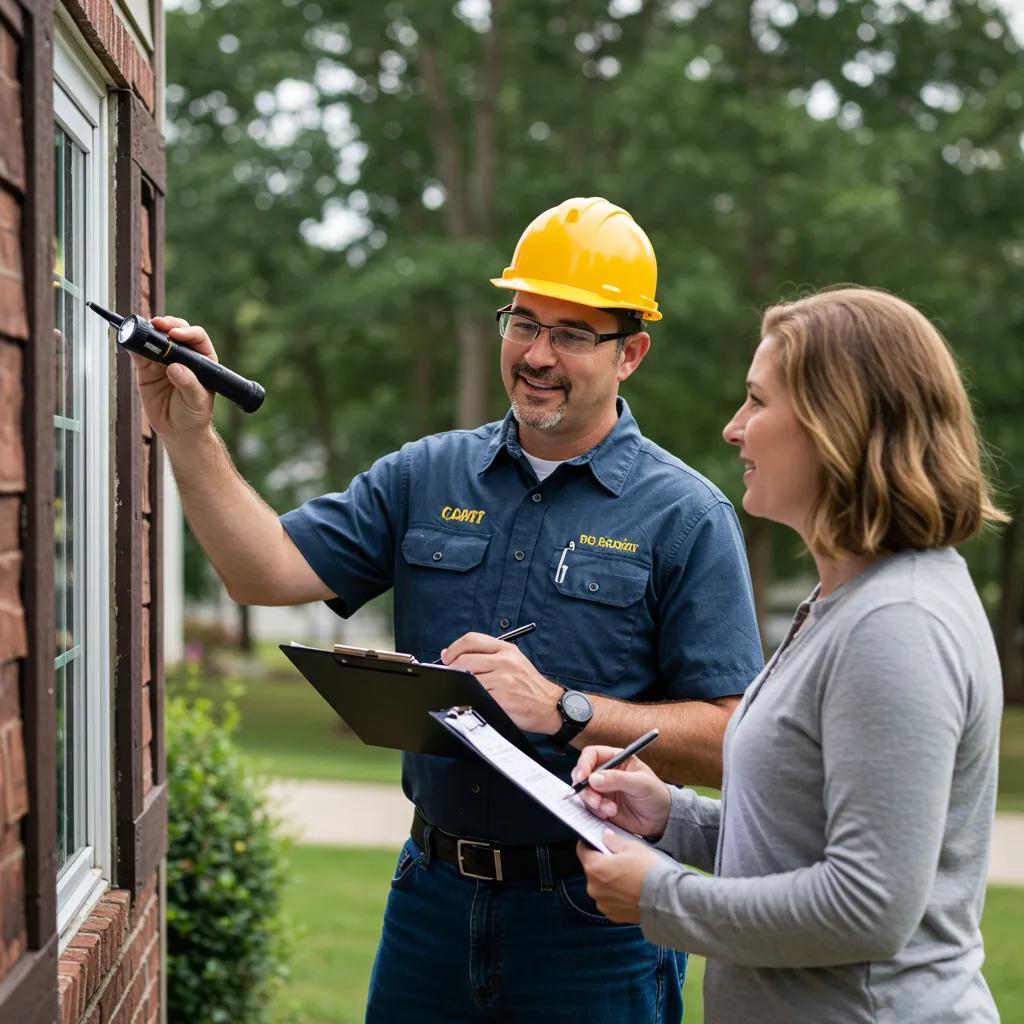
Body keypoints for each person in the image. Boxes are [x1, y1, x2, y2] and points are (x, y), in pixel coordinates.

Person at [139, 197, 764, 1022]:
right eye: (524, 321)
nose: (538, 354)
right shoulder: (424, 476)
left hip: (595, 916)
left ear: (632, 353)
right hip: (429, 899)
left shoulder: (685, 517)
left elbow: (733, 744)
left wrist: (564, 709)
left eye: (572, 334)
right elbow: (263, 571)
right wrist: (189, 433)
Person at [575, 286, 1006, 1024]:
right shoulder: (847, 597)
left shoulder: (898, 622)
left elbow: (866, 908)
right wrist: (668, 816)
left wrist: (659, 897)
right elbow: (795, 840)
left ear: (836, 422)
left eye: (756, 402)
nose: (733, 428)